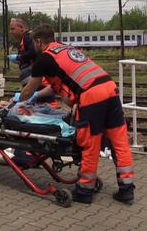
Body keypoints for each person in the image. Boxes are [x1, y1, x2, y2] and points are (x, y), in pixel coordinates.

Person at [19, 24, 135, 204]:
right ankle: (127, 189)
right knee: (118, 141)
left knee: (90, 143)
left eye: (33, 43)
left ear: (39, 42)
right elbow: (57, 85)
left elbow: (30, 88)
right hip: (109, 88)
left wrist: (20, 100)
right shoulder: (65, 49)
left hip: (91, 95)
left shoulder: (44, 58)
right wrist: (38, 96)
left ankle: (84, 190)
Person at [9, 18, 58, 106]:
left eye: (12, 29)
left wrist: (19, 57)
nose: (10, 32)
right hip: (33, 77)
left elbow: (32, 52)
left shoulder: (27, 37)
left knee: (38, 95)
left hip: (33, 76)